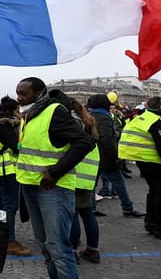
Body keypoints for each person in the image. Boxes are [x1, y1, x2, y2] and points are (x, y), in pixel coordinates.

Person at [15, 77, 92, 279]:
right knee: (46, 247)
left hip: (53, 188)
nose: (19, 98)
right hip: (30, 186)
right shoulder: (28, 115)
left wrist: (55, 173)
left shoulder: (54, 112)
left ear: (39, 93)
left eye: (24, 93)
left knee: (58, 248)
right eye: (18, 93)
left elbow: (84, 142)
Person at [118, 96, 161, 241]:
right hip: (150, 159)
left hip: (138, 158)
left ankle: (151, 222)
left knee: (153, 191)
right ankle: (160, 227)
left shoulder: (142, 117)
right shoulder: (157, 121)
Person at [0, 96, 31, 256]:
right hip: (7, 170)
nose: (19, 113)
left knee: (3, 205)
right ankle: (9, 241)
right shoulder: (5, 126)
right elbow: (15, 147)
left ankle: (0, 237)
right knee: (10, 206)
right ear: (10, 111)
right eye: (17, 110)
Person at [87, 94, 144, 218]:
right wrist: (115, 156)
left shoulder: (89, 116)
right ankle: (127, 208)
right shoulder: (104, 117)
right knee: (118, 182)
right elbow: (107, 139)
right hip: (106, 156)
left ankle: (91, 208)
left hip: (93, 155)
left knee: (92, 184)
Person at [64, 94, 101, 264]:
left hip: (74, 172)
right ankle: (93, 251)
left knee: (72, 215)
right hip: (89, 173)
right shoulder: (88, 121)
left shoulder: (69, 123)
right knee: (87, 213)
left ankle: (72, 252)